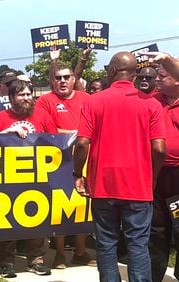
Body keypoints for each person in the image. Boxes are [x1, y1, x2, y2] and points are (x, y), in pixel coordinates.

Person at [73, 51, 165, 281]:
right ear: (135, 74)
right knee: (138, 245)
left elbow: (82, 142)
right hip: (138, 186)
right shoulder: (151, 104)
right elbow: (159, 149)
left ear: (112, 71)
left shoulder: (94, 101)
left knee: (106, 244)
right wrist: (152, 177)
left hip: (103, 185)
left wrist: (77, 173)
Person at [0, 77, 55, 278]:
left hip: (36, 177)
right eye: (21, 94)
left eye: (28, 94)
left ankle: (36, 260)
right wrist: (7, 132)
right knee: (6, 220)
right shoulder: (1, 117)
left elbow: (55, 141)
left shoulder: (43, 115)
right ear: (12, 97)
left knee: (37, 219)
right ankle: (6, 262)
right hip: (7, 178)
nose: (26, 98)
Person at [35, 61, 95, 269]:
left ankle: (80, 251)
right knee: (59, 208)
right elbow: (45, 131)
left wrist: (78, 136)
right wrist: (78, 135)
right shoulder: (44, 101)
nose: (62, 81)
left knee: (83, 206)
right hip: (57, 161)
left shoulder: (87, 98)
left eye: (66, 77)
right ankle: (59, 253)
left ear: (73, 79)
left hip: (86, 158)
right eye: (58, 78)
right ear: (52, 81)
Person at [148, 62, 179, 281]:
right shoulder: (153, 100)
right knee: (157, 228)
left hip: (178, 176)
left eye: (162, 75)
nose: (157, 79)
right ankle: (153, 275)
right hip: (157, 174)